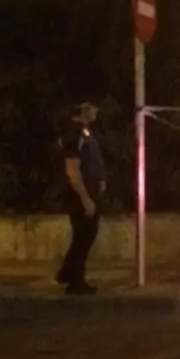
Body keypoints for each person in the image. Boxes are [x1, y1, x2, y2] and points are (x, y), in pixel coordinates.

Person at [56, 101, 105, 295]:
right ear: (84, 109)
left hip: (89, 187)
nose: (96, 111)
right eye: (93, 107)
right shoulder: (73, 132)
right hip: (79, 191)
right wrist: (85, 198)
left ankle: (68, 273)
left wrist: (100, 180)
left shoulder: (84, 131)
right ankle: (74, 281)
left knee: (86, 234)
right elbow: (72, 170)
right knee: (84, 234)